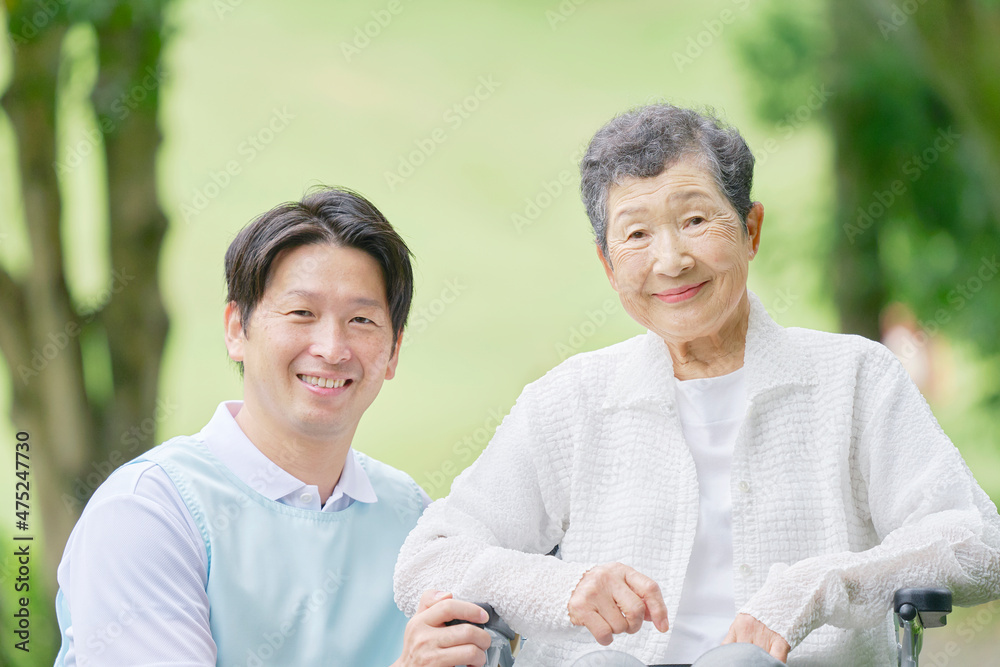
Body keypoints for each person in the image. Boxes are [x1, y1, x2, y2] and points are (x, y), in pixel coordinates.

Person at [393, 104, 1000, 665]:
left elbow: (976, 545)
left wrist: (818, 586)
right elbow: (426, 560)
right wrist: (563, 587)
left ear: (750, 229)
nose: (671, 260)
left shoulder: (855, 379)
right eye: (636, 234)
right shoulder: (571, 400)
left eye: (695, 219)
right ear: (607, 264)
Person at [54, 187, 491, 666]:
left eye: (361, 320)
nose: (332, 347)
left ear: (393, 352)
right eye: (302, 312)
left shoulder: (410, 515)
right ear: (237, 330)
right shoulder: (147, 513)